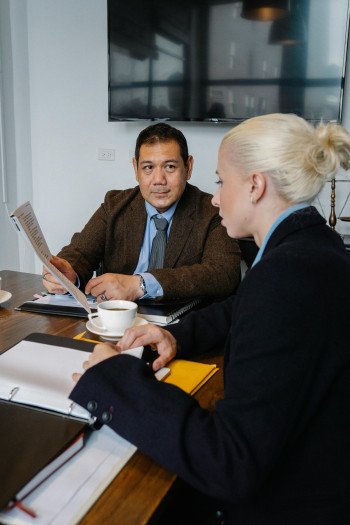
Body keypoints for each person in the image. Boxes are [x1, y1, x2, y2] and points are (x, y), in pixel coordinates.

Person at [70, 113, 350, 524]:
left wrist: (115, 380)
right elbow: (242, 307)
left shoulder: (281, 280)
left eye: (222, 181)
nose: (216, 197)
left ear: (254, 186)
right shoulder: (313, 246)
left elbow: (230, 461)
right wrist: (176, 337)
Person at [41, 123, 240, 302]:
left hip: (181, 327)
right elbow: (80, 253)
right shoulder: (115, 205)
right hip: (117, 322)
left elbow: (224, 274)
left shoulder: (212, 211)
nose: (159, 179)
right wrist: (68, 274)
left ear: (188, 167)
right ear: (136, 169)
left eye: (169, 167)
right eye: (148, 167)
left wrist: (141, 284)